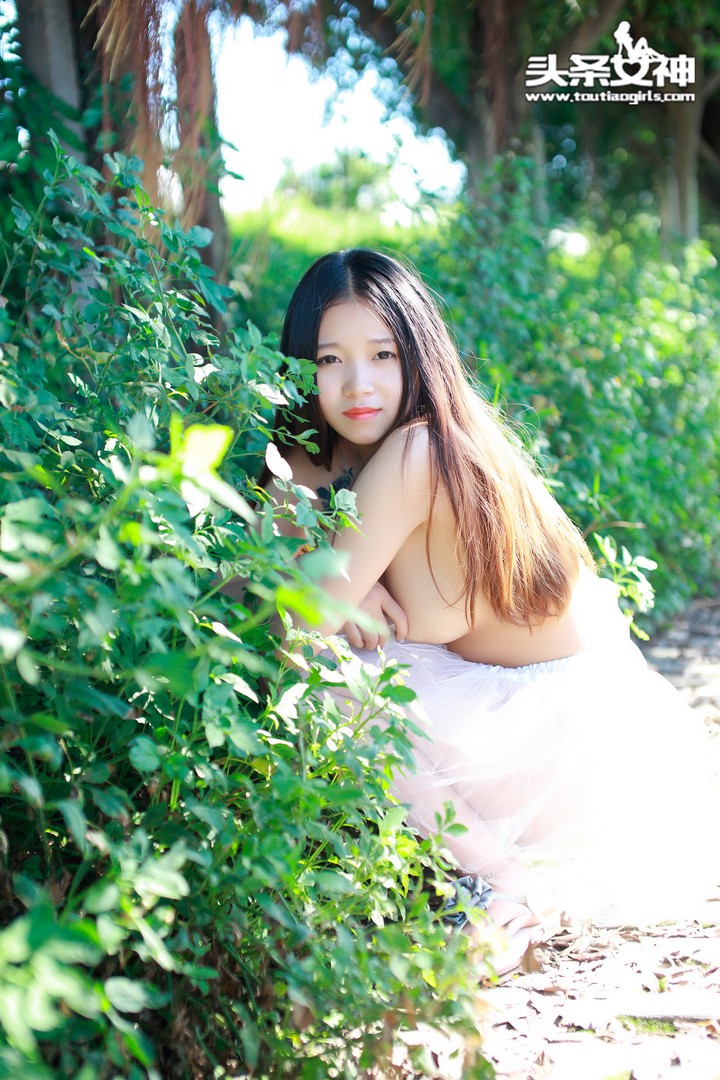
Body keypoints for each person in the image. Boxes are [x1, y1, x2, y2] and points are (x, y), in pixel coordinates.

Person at [258, 248, 718, 973]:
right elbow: (274, 529)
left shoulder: (419, 450)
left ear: (419, 354)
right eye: (329, 360)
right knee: (337, 655)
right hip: (499, 718)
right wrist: (329, 570)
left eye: (382, 355)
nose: (357, 384)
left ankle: (502, 881)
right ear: (300, 366)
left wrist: (330, 583)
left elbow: (296, 633)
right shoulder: (324, 449)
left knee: (330, 681)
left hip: (567, 747)